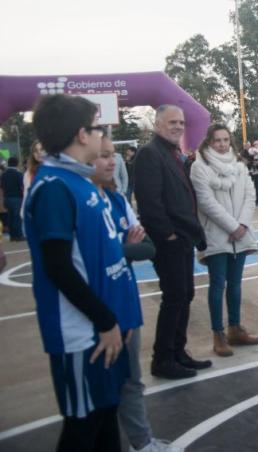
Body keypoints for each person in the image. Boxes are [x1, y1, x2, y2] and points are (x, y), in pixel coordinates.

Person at [26, 94, 137, 452]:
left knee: (106, 415)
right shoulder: (54, 188)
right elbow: (58, 267)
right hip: (81, 334)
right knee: (83, 426)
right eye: (95, 127)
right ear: (81, 134)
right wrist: (104, 321)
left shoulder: (81, 181)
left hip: (105, 327)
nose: (102, 134)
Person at [92, 137, 182, 452]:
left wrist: (119, 248)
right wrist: (122, 246)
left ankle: (142, 442)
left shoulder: (117, 202)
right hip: (97, 311)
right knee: (102, 390)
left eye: (112, 155)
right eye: (102, 156)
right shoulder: (80, 201)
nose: (111, 162)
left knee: (131, 380)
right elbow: (96, 252)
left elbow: (148, 248)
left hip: (125, 304)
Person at [134, 105, 210, 380]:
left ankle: (178, 351)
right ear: (157, 125)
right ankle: (163, 359)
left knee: (185, 295)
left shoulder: (171, 153)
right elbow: (149, 201)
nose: (178, 126)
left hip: (182, 238)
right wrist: (168, 234)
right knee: (175, 296)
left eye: (181, 122)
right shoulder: (149, 154)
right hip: (169, 241)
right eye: (171, 122)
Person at [190, 124, 258, 356]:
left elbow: (250, 195)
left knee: (235, 284)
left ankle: (235, 327)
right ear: (208, 142)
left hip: (240, 235)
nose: (222, 144)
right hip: (216, 235)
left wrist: (241, 225)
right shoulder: (199, 167)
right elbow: (205, 202)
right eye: (217, 140)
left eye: (225, 140)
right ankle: (218, 333)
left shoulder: (240, 166)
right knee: (217, 284)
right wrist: (232, 226)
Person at [0, 156, 24, 240]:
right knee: (17, 217)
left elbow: (1, 188)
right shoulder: (18, 174)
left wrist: (2, 201)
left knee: (10, 217)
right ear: (17, 163)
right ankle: (19, 235)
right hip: (16, 198)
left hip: (7, 198)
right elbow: (22, 186)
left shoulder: (4, 174)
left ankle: (12, 236)